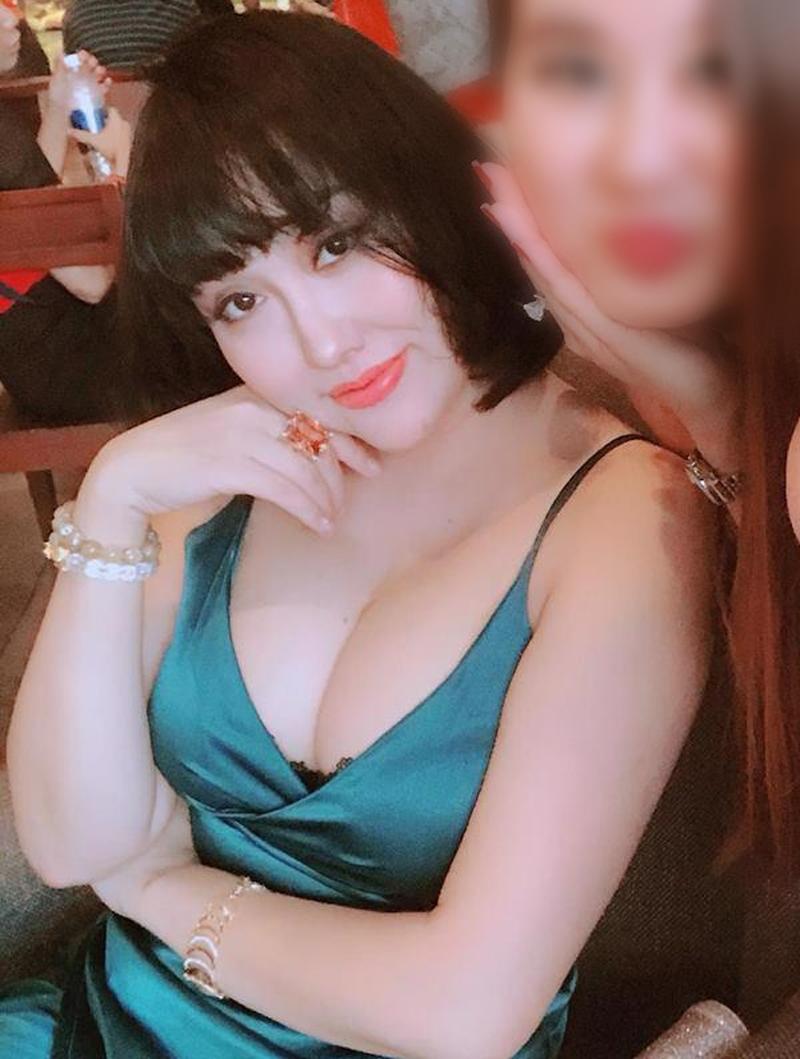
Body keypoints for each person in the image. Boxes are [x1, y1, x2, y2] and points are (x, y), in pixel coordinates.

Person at [4, 11, 712, 1058]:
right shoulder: (229, 468)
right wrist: (111, 497)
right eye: (240, 300)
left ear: (433, 193)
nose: (321, 342)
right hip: (88, 1028)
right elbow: (72, 845)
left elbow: (466, 1011)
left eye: (336, 244)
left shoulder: (622, 515)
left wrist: (160, 892)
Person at [480, 0, 800, 874]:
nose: (640, 158)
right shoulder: (534, 369)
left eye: (716, 72)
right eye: (578, 73)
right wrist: (714, 410)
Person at [0, 42, 131, 426]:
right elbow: (94, 284)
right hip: (80, 369)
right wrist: (122, 162)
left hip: (27, 361)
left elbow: (27, 202)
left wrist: (58, 109)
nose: (11, 20)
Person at [63, 0, 234, 70]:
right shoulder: (180, 7)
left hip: (101, 128)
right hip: (169, 125)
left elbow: (72, 78)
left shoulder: (77, 16)